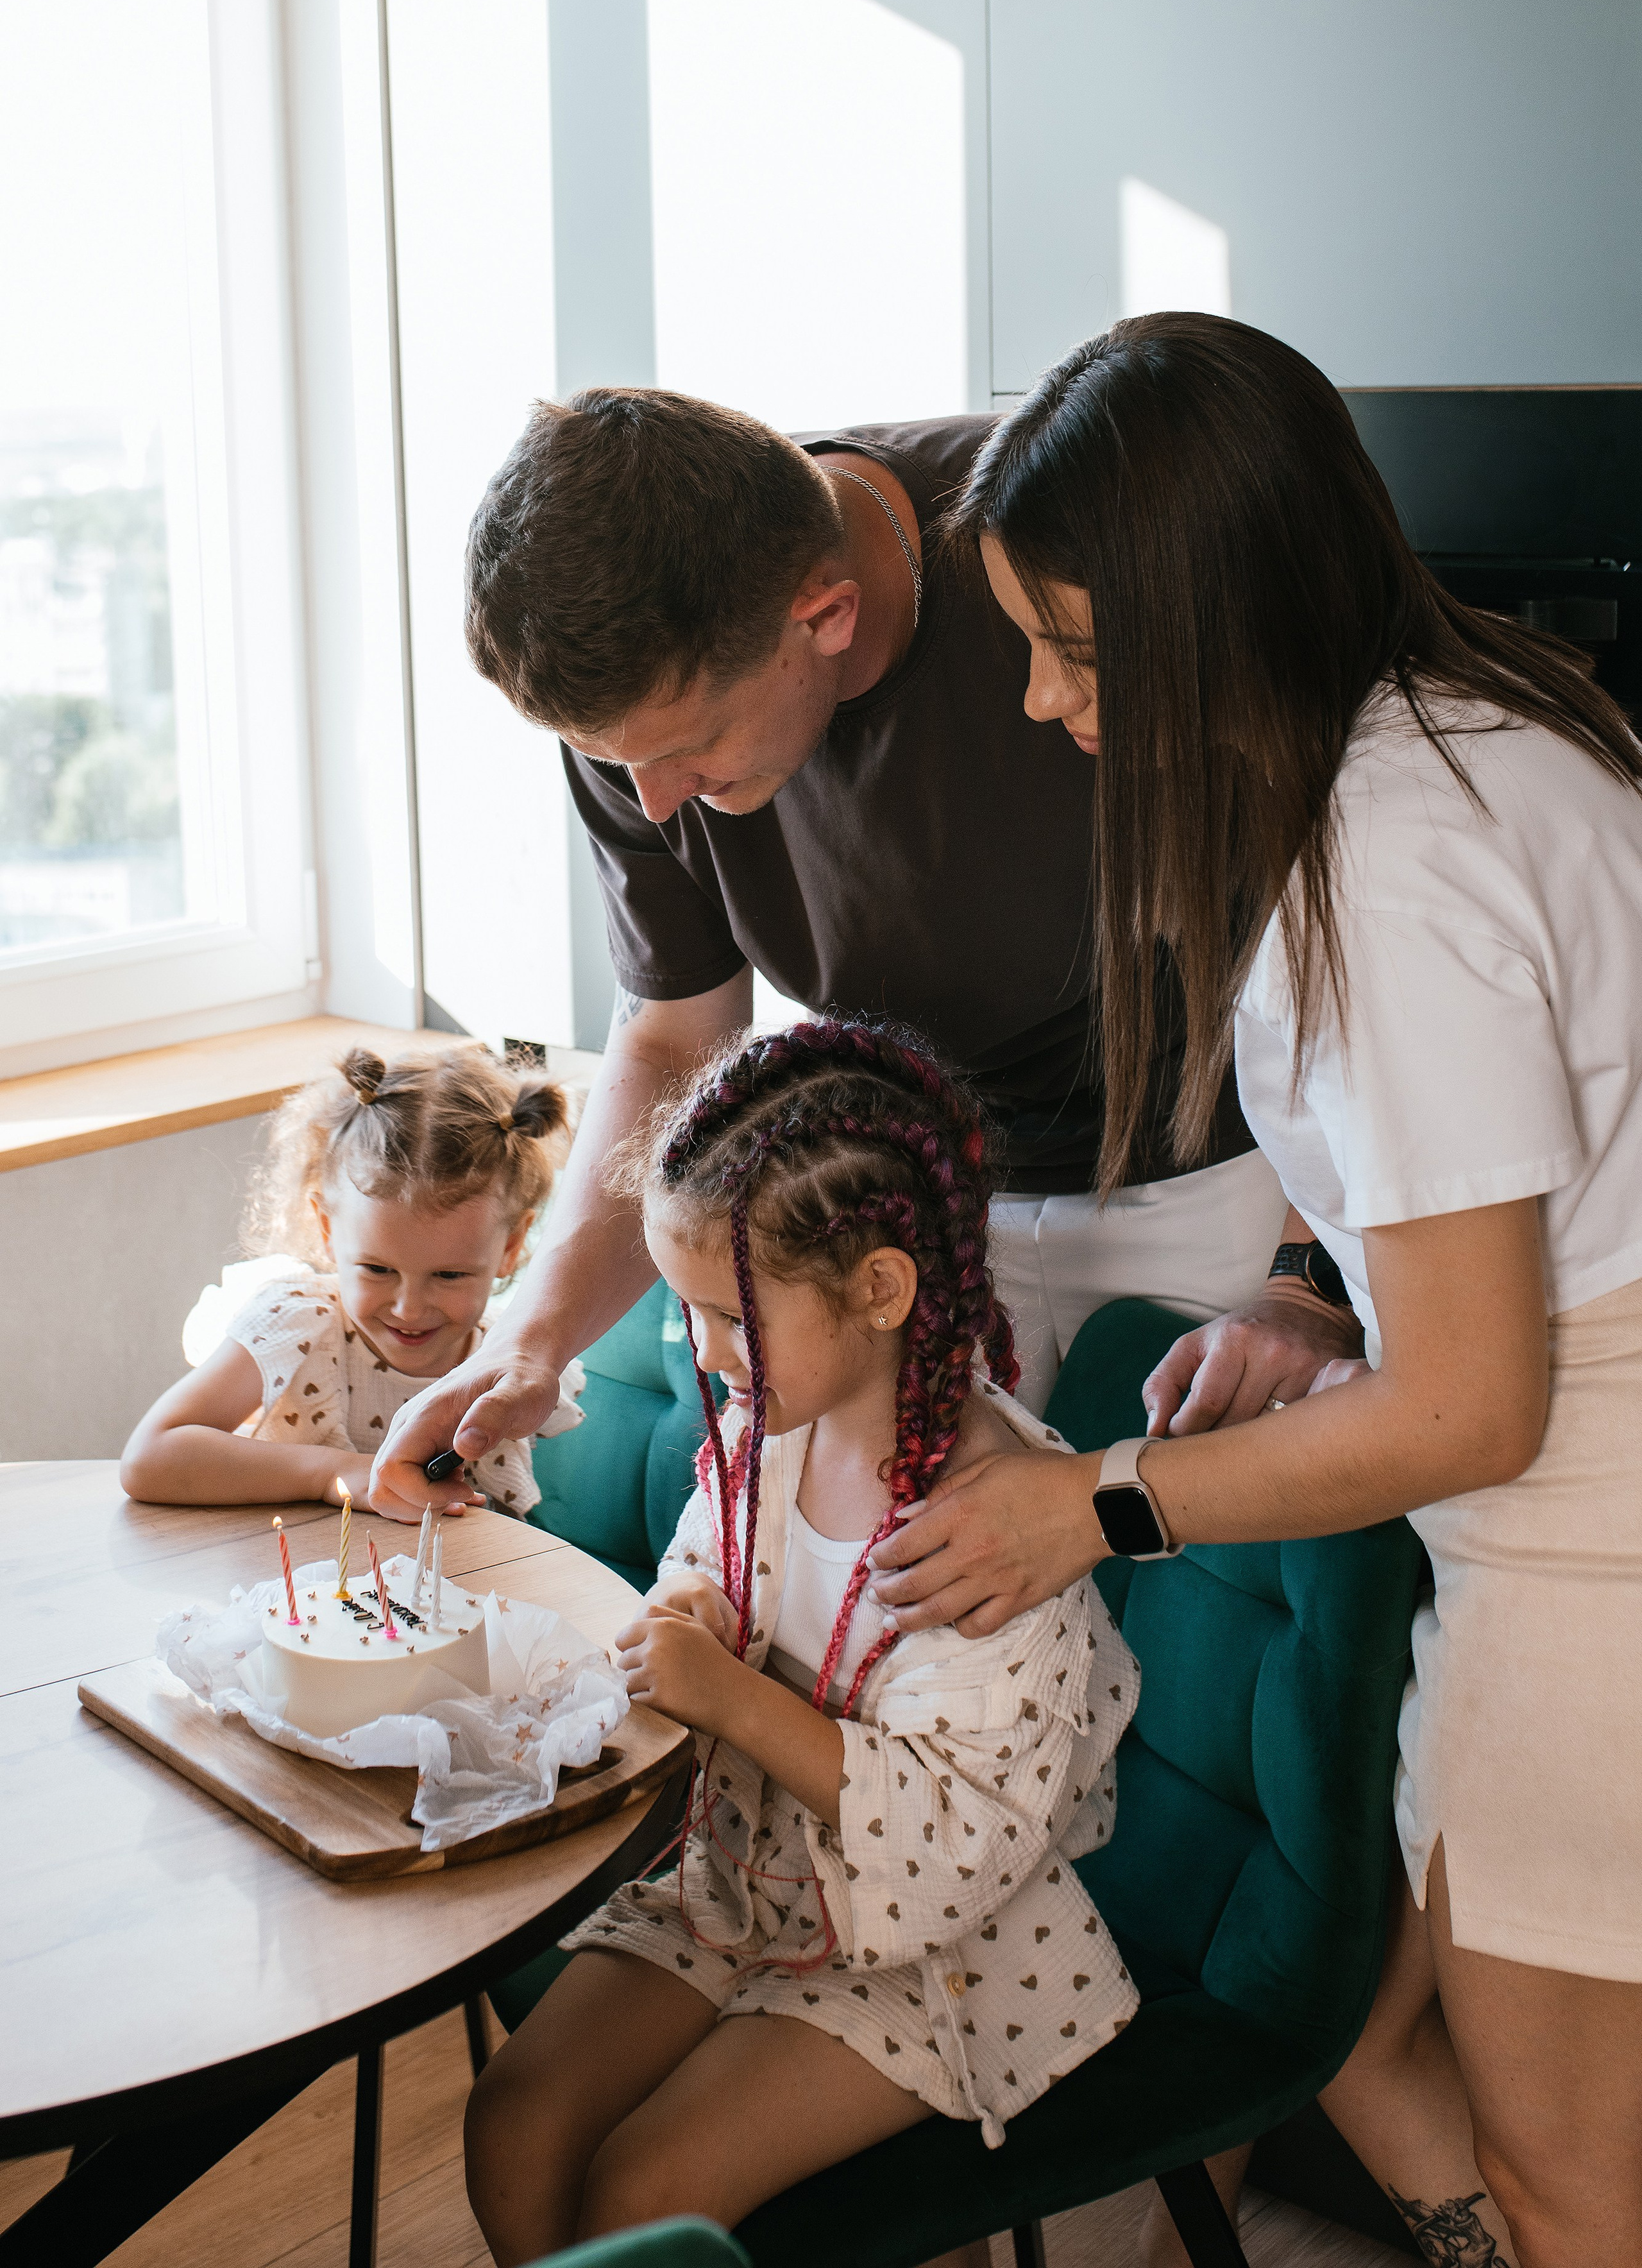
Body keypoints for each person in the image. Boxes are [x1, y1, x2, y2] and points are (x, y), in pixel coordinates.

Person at [866, 314, 1642, 2267]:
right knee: (1362, 2026)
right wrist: (1311, 1291)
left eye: (1078, 651)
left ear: (1225, 607)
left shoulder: (1388, 857)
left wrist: (1094, 1498)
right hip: (1558, 1519)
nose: (1042, 702)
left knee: (1573, 2182)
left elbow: (1472, 1401)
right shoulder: (1476, 724)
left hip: (1587, 1556)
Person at [370, 388, 1298, 1520]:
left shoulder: (1061, 556)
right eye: (617, 767)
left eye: (686, 750)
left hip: (1215, 1169)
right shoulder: (637, 718)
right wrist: (532, 1341)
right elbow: (671, 1040)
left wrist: (1311, 1281)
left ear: (830, 615)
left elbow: (1332, 928)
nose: (659, 805)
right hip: (923, 1205)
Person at [462, 1019, 1140, 2264]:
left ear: (881, 1289)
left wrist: (719, 1693)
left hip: (927, 1954)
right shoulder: (766, 1426)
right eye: (689, 1315)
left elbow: (955, 1840)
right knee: (515, 2122)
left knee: (641, 2197)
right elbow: (696, 1581)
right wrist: (687, 1617)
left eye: (729, 1317)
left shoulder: (992, 1529)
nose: (705, 1357)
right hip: (738, 1880)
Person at [121, 1044, 575, 1514]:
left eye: (449, 1275)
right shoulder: (299, 1327)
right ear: (327, 1230)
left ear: (510, 1247)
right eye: (378, 1270)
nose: (409, 1308)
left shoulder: (503, 1357)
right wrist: (331, 1473)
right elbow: (149, 1458)